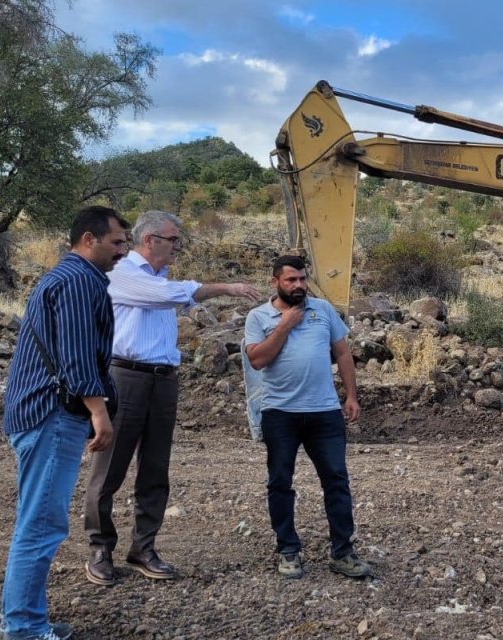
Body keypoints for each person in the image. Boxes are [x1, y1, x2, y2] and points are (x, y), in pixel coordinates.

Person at [82, 210, 260, 585]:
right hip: (125, 376)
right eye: (173, 239)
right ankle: (100, 548)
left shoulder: (161, 279)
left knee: (155, 468)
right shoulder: (123, 274)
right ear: (149, 241)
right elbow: (170, 296)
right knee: (110, 468)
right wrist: (227, 287)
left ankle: (143, 547)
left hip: (163, 380)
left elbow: (175, 295)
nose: (178, 245)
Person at [0, 206, 129, 640]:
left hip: (40, 412)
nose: (123, 252)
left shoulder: (66, 277)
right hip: (52, 415)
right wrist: (98, 411)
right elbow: (75, 357)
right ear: (88, 239)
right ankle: (23, 629)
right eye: (116, 243)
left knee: (35, 522)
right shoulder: (76, 281)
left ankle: (24, 619)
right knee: (41, 526)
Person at [243, 255, 368, 580]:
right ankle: (288, 550)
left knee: (337, 482)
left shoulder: (323, 310)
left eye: (302, 279)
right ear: (275, 282)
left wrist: (351, 395)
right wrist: (284, 326)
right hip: (279, 413)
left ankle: (342, 552)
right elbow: (257, 360)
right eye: (291, 280)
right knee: (280, 483)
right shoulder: (258, 317)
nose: (299, 285)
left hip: (324, 412)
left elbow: (342, 352)